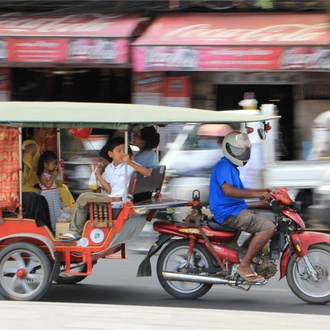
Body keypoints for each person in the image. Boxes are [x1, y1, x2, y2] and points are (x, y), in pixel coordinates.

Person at [209, 131, 275, 283]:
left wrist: (264, 191)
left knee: (263, 224)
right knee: (267, 227)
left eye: (244, 151)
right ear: (228, 149)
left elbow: (242, 191)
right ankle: (244, 265)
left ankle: (245, 257)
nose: (242, 154)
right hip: (228, 213)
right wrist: (258, 195)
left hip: (235, 210)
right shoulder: (223, 166)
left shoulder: (231, 167)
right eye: (239, 150)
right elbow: (229, 190)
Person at [59, 137, 151, 241]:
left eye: (124, 151)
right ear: (110, 154)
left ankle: (75, 232)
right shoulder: (109, 168)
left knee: (83, 198)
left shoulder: (129, 166)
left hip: (118, 201)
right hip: (110, 198)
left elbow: (148, 173)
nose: (122, 153)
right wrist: (98, 175)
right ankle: (79, 230)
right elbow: (109, 190)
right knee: (83, 199)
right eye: (119, 151)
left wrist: (130, 162)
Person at [22, 128, 52, 230]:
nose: (46, 132)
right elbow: (24, 168)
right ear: (36, 130)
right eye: (44, 129)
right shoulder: (32, 146)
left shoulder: (36, 145)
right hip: (27, 187)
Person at [37, 150, 63, 231]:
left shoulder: (52, 173)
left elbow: (58, 171)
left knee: (57, 211)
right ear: (45, 164)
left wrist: (58, 165)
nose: (54, 165)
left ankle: (58, 227)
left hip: (54, 195)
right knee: (50, 212)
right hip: (48, 196)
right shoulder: (42, 175)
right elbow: (48, 185)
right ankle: (51, 228)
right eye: (53, 163)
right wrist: (53, 176)